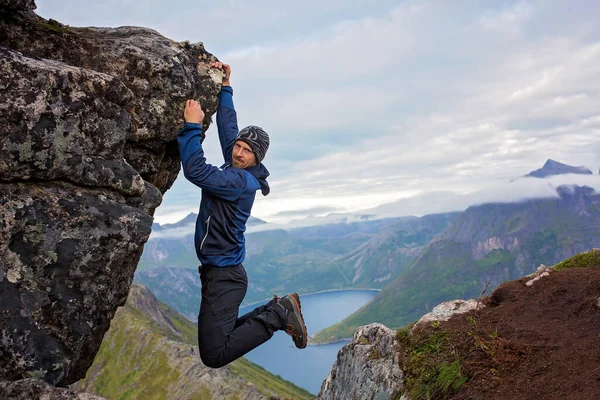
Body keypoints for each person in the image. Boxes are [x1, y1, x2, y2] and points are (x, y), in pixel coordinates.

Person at [176, 61, 308, 368]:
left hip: (224, 277)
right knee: (221, 339)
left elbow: (195, 170)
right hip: (220, 274)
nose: (238, 152)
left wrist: (192, 125)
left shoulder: (238, 181)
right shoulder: (238, 166)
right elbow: (229, 128)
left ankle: (278, 313)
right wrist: (225, 87)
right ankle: (279, 308)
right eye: (238, 147)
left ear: (256, 159)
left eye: (247, 151)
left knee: (214, 354)